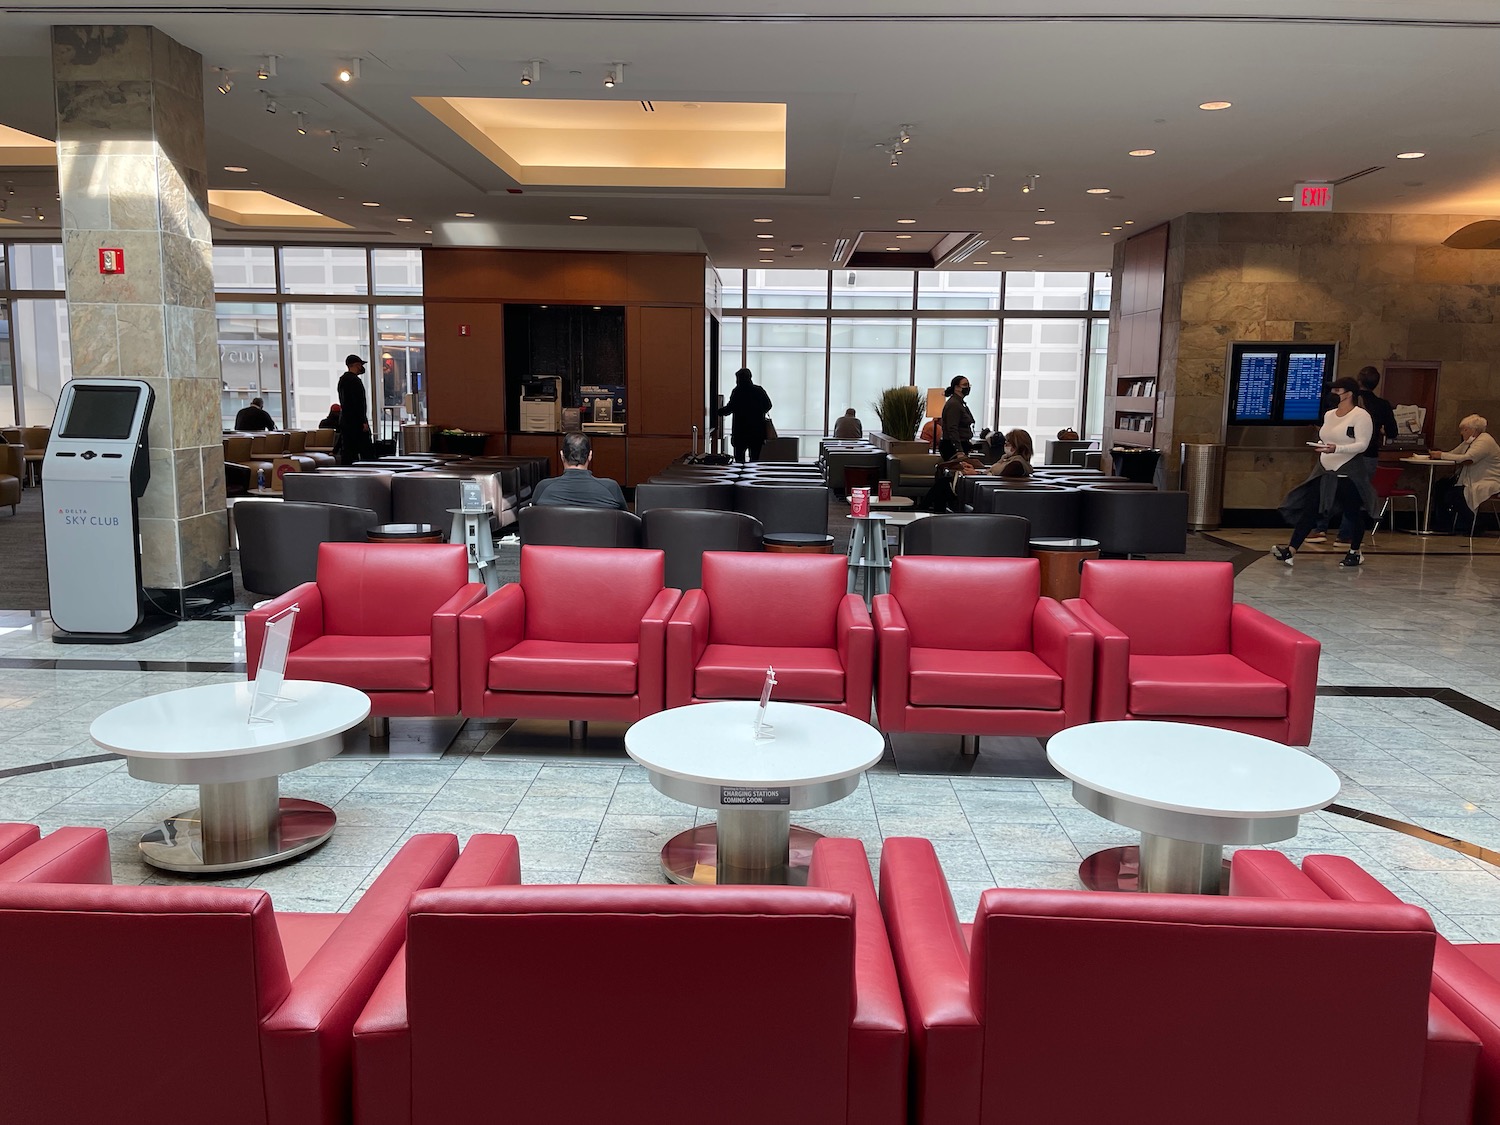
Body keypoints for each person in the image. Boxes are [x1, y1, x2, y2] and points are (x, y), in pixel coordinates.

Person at [1272, 377, 1377, 568]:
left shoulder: (1361, 416)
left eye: (1338, 391)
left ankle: (1355, 551)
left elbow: (1362, 445)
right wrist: (1322, 446)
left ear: (1349, 394)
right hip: (1324, 470)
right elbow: (1326, 437)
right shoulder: (1329, 415)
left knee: (1352, 512)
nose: (1333, 395)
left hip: (1348, 472)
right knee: (1310, 509)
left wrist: (1336, 449)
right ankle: (1291, 550)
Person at [1306, 367, 1397, 544]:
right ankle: (1345, 535)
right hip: (1368, 456)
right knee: (1354, 498)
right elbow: (1393, 432)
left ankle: (1320, 529)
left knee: (1327, 491)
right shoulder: (1382, 405)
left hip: (1340, 455)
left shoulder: (1354, 411)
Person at [1430, 415, 1500, 534]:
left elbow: (1469, 459)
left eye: (1465, 429)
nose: (1462, 433)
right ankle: (1443, 524)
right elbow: (1454, 454)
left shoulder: (1485, 441)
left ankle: (1475, 524)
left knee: (1453, 495)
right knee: (1441, 486)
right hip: (1470, 479)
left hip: (1487, 480)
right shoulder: (1469, 442)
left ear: (1475, 430)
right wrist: (1438, 455)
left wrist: (1441, 455)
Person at [530, 432, 627, 509]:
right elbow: (625, 522)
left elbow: (533, 521)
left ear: (562, 455)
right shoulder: (611, 488)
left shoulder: (543, 488)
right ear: (590, 455)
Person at [716, 367, 773, 463]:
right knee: (755, 460)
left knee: (739, 460)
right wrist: (758, 412)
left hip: (740, 432)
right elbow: (768, 405)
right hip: (756, 432)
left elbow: (730, 409)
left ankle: (740, 478)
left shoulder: (737, 391)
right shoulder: (759, 390)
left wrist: (716, 412)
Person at [918, 438, 984, 512]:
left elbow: (992, 473)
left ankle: (926, 509)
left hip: (983, 482)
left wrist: (980, 473)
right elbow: (990, 471)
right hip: (979, 478)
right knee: (943, 484)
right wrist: (977, 471)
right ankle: (932, 511)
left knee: (943, 484)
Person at [336, 355, 372, 466]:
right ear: (356, 365)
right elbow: (359, 403)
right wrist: (363, 421)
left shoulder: (342, 380)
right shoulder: (355, 381)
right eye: (360, 365)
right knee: (367, 452)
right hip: (356, 423)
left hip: (346, 421)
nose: (362, 367)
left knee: (348, 452)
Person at [940, 376, 974, 451]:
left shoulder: (960, 403)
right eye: (965, 385)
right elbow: (952, 428)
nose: (968, 387)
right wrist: (958, 450)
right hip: (953, 447)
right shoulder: (954, 404)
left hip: (961, 444)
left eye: (968, 385)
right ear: (956, 387)